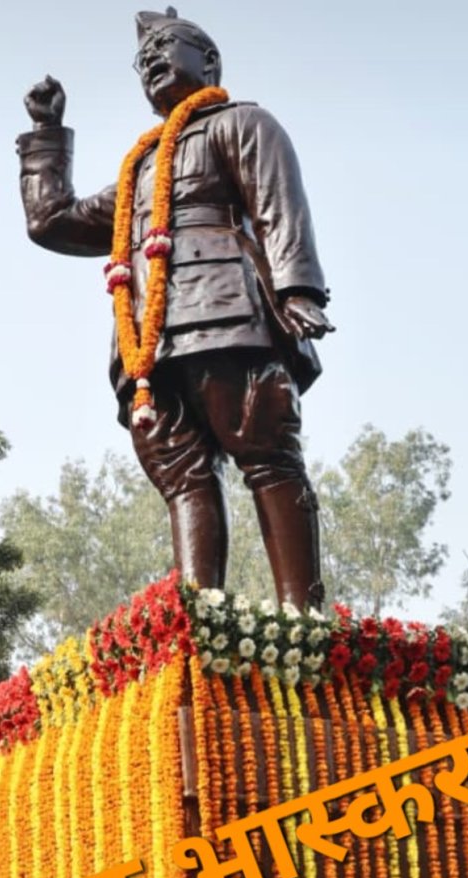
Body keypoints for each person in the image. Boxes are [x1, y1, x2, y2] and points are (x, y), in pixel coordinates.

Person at [18, 8, 333, 608]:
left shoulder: (242, 123)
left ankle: (305, 623)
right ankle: (196, 627)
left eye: (167, 46)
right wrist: (47, 135)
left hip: (230, 317)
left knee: (266, 455)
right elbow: (52, 221)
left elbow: (278, 204)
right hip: (149, 346)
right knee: (182, 477)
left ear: (208, 62)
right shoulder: (140, 168)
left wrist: (298, 289)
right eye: (144, 59)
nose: (152, 60)